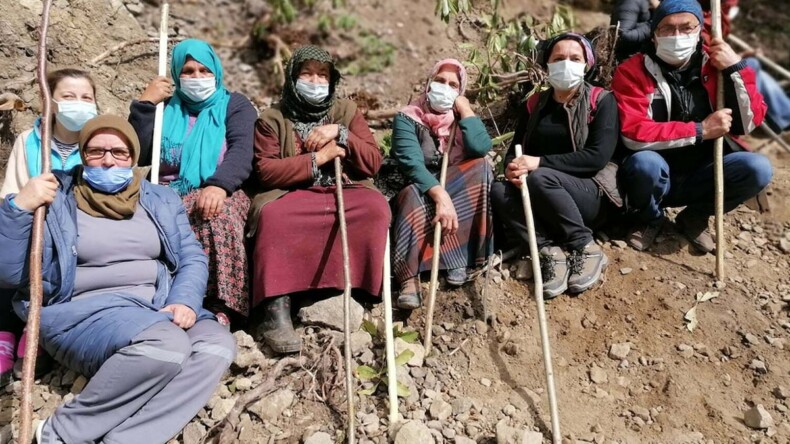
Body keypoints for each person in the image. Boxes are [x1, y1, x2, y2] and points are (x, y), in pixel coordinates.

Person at [0, 115, 235, 444]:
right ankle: (59, 434)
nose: (108, 159)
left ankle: (127, 439)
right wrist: (19, 208)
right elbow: (9, 273)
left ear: (133, 156)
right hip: (82, 314)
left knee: (216, 346)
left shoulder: (160, 198)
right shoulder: (54, 196)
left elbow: (192, 256)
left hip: (155, 308)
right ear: (82, 154)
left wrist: (183, 300)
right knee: (166, 346)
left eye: (119, 152)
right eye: (96, 151)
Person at [250, 45, 390, 353]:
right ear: (292, 77)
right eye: (307, 74)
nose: (315, 81)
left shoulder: (346, 112)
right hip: (294, 193)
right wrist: (318, 158)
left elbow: (373, 162)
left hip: (344, 188)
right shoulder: (272, 119)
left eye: (322, 75)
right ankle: (276, 308)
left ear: (333, 79)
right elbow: (267, 171)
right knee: (275, 218)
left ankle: (359, 292)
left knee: (374, 209)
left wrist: (342, 134)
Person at [613, 0, 772, 253]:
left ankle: (696, 216)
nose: (677, 36)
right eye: (667, 29)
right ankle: (650, 219)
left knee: (757, 168)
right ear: (654, 35)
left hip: (703, 172)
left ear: (699, 31)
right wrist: (701, 130)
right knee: (644, 164)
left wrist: (736, 69)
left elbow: (749, 122)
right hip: (654, 174)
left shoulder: (717, 66)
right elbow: (634, 134)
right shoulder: (632, 71)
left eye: (686, 28)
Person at [129, 39, 258, 326]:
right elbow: (137, 152)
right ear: (176, 75)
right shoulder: (166, 109)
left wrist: (219, 185)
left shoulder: (235, 105)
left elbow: (242, 151)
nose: (197, 77)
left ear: (216, 71)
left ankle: (221, 305)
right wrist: (146, 105)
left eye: (204, 70)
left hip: (222, 188)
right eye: (188, 71)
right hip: (164, 190)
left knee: (216, 216)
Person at [491, 33, 621, 300]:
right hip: (543, 192)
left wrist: (539, 163)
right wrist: (511, 170)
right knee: (498, 191)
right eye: (559, 58)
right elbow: (516, 149)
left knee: (540, 178)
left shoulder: (601, 100)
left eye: (575, 58)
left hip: (590, 193)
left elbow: (596, 157)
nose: (567, 64)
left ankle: (585, 247)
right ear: (547, 65)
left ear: (587, 64)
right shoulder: (535, 104)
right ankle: (549, 251)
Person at [0, 68, 97, 385]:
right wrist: (25, 203)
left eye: (86, 97)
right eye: (68, 97)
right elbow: (11, 194)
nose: (78, 104)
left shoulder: (98, 145)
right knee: (10, 249)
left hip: (76, 234)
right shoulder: (30, 141)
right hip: (31, 225)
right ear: (50, 102)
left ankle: (36, 328)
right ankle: (5, 333)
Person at [390, 59, 493, 309]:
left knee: (481, 167)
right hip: (420, 184)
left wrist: (466, 111)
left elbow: (481, 148)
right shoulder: (407, 117)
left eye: (453, 84)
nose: (444, 87)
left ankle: (462, 258)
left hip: (454, 182)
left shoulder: (460, 119)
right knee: (412, 196)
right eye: (440, 81)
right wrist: (439, 195)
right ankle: (408, 278)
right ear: (428, 83)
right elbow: (411, 163)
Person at [698, 0, 790, 133]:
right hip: (709, 77)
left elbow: (715, 52)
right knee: (751, 65)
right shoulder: (696, 20)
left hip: (719, 67)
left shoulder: (713, 18)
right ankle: (782, 115)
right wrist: (738, 59)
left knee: (754, 67)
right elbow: (706, 55)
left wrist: (741, 55)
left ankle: (783, 114)